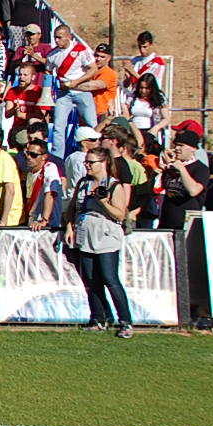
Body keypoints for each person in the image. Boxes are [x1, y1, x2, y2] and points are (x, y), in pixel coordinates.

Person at [64, 147, 134, 337]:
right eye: (86, 162)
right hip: (85, 234)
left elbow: (120, 214)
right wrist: (70, 227)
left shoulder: (114, 186)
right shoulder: (83, 183)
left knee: (110, 279)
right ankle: (98, 317)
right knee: (90, 279)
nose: (86, 165)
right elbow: (72, 207)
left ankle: (125, 321)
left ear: (103, 163)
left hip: (105, 236)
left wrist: (103, 201)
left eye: (90, 162)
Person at [47, 25, 97, 157]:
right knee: (58, 127)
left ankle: (96, 153)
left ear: (69, 36)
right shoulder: (53, 54)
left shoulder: (81, 50)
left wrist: (77, 82)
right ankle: (58, 158)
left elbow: (93, 69)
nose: (57, 41)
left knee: (92, 124)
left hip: (82, 91)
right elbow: (47, 69)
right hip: (64, 94)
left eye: (60, 37)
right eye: (55, 38)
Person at [157, 129, 210, 229]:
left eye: (181, 145)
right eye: (176, 145)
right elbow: (158, 189)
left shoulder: (200, 168)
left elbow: (194, 191)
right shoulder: (172, 166)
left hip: (187, 225)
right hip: (166, 223)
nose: (177, 148)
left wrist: (181, 168)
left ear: (193, 148)